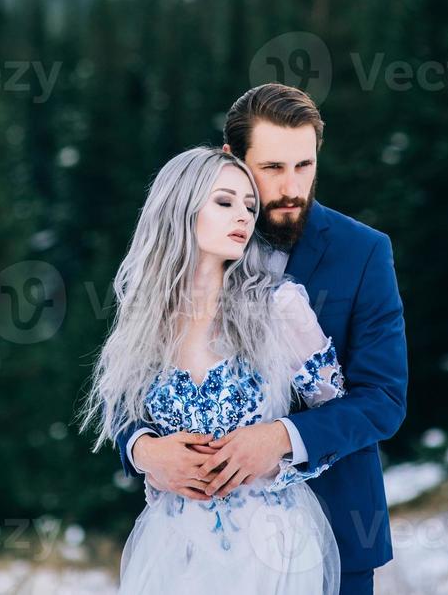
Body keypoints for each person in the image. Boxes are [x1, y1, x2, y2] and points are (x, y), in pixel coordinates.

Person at [114, 84, 408, 595]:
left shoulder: (362, 252)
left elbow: (383, 399)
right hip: (191, 547)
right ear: (232, 158)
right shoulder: (174, 270)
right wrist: (144, 450)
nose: (292, 187)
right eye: (272, 168)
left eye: (305, 165)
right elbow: (125, 388)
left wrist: (281, 439)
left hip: (335, 531)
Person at [81, 145, 347, 593]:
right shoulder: (146, 316)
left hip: (269, 543)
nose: (243, 217)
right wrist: (146, 452)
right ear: (180, 208)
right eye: (224, 202)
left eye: (249, 206)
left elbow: (340, 414)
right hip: (172, 543)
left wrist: (277, 450)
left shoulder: (280, 306)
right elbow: (120, 409)